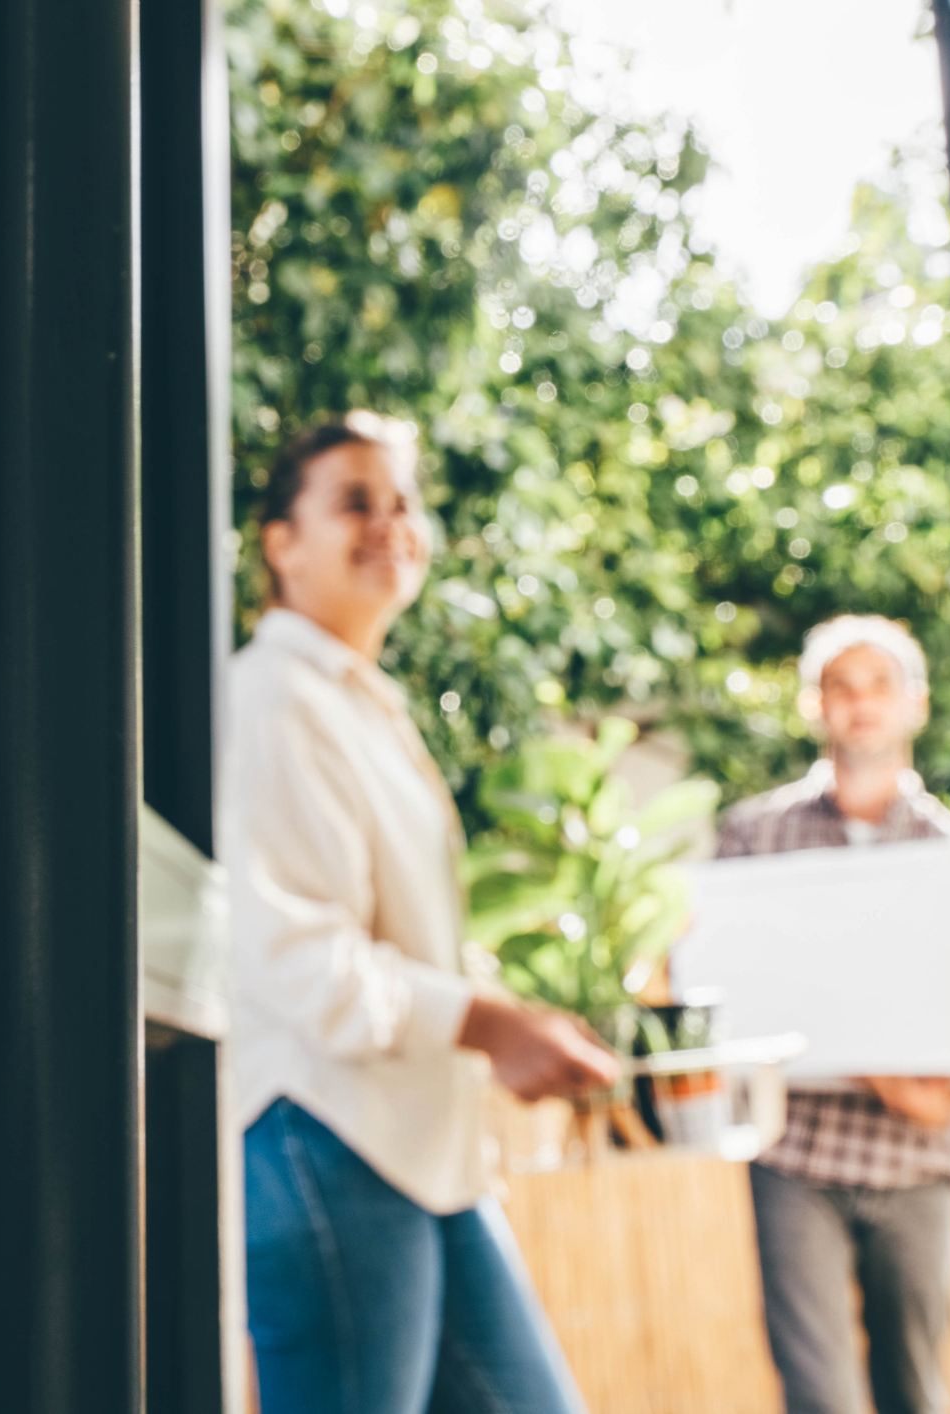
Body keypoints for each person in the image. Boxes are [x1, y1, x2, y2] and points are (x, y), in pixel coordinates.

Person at [227, 412, 618, 1414]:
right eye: (354, 500)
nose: (389, 522)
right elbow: (295, 952)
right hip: (325, 1140)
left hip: (419, 1154)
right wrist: (484, 1023)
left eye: (402, 501)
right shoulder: (272, 698)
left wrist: (509, 1021)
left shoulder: (362, 701)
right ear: (282, 544)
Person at [716, 615, 950, 1414]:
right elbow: (732, 986)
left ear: (913, 705)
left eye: (878, 688)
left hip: (916, 1161)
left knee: (913, 1391)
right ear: (815, 706)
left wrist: (934, 1089)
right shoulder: (754, 837)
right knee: (820, 1398)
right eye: (841, 688)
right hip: (797, 1154)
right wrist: (873, 1060)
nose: (860, 706)